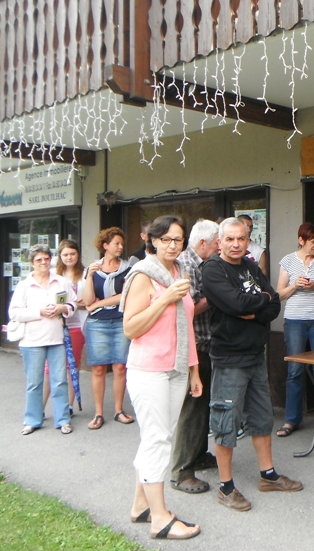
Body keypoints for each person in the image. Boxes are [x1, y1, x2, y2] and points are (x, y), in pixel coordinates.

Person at [201, 217, 303, 512]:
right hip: (229, 358)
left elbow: (272, 304)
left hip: (256, 354)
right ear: (219, 242)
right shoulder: (213, 269)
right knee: (226, 421)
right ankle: (226, 487)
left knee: (262, 418)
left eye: (241, 239)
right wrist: (256, 303)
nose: (236, 244)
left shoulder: (250, 266)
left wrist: (255, 305)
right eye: (230, 239)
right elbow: (235, 304)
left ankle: (268, 475)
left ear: (248, 241)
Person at [121, 215, 202, 540]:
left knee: (159, 437)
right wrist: (165, 299)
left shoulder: (178, 272)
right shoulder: (143, 274)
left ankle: (140, 505)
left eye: (178, 239)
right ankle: (159, 518)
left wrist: (194, 370)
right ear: (152, 240)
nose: (172, 245)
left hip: (176, 368)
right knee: (157, 440)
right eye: (166, 239)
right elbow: (131, 327)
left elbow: (186, 324)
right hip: (148, 370)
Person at [275, 222, 314, 438]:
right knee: (295, 370)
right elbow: (279, 294)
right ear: (301, 240)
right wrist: (295, 286)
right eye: (313, 241)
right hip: (294, 319)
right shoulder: (287, 261)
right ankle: (291, 420)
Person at [170, 219, 220, 494]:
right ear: (203, 243)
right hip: (193, 346)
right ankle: (181, 471)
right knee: (192, 407)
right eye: (216, 244)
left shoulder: (196, 262)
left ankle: (198, 455)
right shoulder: (186, 265)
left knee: (201, 407)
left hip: (203, 344)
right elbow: (187, 310)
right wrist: (217, 295)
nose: (219, 248)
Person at [9, 244, 77, 435]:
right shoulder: (24, 285)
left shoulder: (61, 282)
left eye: (46, 258)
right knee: (34, 382)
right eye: (39, 260)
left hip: (56, 339)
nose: (43, 262)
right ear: (32, 263)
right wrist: (39, 312)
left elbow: (72, 303)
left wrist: (62, 309)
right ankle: (32, 420)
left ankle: (63, 419)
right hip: (32, 341)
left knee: (59, 381)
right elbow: (14, 313)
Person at [83, 227, 133, 430]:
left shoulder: (128, 268)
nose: (121, 247)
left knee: (120, 367)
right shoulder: (92, 268)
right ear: (105, 246)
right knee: (98, 368)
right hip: (97, 324)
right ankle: (98, 413)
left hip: (120, 320)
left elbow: (126, 295)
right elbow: (87, 301)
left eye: (122, 244)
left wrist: (98, 304)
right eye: (116, 244)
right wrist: (88, 278)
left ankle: (119, 410)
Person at [43, 239, 87, 414]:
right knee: (48, 369)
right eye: (65, 254)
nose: (69, 257)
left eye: (73, 254)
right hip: (54, 325)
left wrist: (81, 304)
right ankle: (40, 407)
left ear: (78, 254)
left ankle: (68, 406)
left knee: (71, 366)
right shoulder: (52, 274)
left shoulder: (85, 273)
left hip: (76, 325)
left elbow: (91, 298)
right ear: (60, 256)